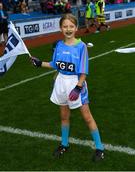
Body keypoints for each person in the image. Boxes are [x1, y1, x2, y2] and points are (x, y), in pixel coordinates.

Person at [31, 13, 104, 162]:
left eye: (71, 26)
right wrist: (40, 63)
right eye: (65, 26)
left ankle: (100, 148)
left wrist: (77, 88)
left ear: (76, 28)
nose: (68, 29)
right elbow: (55, 65)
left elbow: (84, 71)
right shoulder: (58, 45)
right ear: (60, 28)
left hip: (76, 84)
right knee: (64, 116)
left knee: (87, 117)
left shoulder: (81, 47)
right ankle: (64, 144)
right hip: (61, 83)